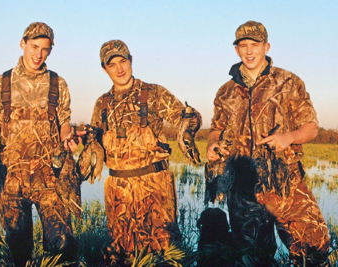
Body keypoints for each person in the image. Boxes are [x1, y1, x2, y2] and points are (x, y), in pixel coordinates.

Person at [206, 20, 330, 266]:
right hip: (243, 188)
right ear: (236, 50)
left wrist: (289, 138)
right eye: (243, 45)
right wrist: (211, 145)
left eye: (255, 44)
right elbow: (216, 129)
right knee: (253, 258)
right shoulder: (225, 92)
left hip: (286, 183)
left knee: (313, 250)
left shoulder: (288, 82)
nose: (249, 51)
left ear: (266, 46)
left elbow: (311, 127)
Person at [0, 22, 82, 267]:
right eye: (34, 46)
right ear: (22, 43)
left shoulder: (57, 84)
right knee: (19, 253)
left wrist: (67, 137)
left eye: (45, 49)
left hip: (51, 180)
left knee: (62, 246)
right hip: (11, 183)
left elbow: (64, 122)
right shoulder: (2, 83)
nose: (38, 54)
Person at [90, 40, 201, 266]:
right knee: (120, 255)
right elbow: (95, 143)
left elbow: (188, 119)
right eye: (113, 65)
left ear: (131, 61)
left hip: (154, 189)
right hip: (118, 193)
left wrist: (190, 121)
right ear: (104, 68)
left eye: (124, 61)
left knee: (163, 253)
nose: (120, 69)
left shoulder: (154, 93)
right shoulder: (101, 104)